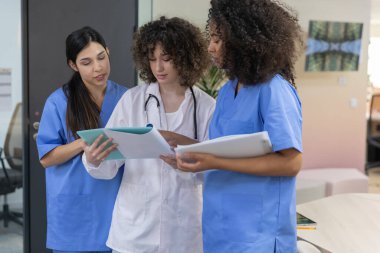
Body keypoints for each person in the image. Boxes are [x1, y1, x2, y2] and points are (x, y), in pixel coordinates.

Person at [174, 0, 304, 252]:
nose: (210, 47)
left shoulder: (274, 90)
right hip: (220, 228)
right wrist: (185, 149)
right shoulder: (226, 91)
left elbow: (290, 163)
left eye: (217, 39)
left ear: (244, 41)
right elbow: (225, 148)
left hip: (257, 235)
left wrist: (214, 162)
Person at [81, 17, 215, 253]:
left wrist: (190, 163)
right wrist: (93, 159)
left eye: (166, 59)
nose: (158, 68)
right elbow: (109, 166)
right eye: (152, 59)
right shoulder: (132, 100)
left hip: (184, 232)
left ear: (184, 57)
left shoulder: (206, 106)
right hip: (135, 232)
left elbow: (215, 169)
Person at [36, 26, 127, 253]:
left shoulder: (127, 98)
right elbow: (46, 158)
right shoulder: (58, 102)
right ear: (73, 65)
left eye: (101, 57)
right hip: (75, 209)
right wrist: (82, 143)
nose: (98, 68)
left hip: (117, 204)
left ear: (108, 51)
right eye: (86, 62)